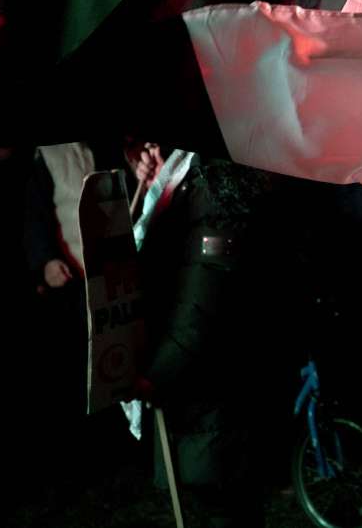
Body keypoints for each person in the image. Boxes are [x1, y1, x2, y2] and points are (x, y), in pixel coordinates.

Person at [128, 154, 289, 527]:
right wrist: (159, 184)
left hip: (214, 400)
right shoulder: (190, 169)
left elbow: (202, 303)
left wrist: (155, 373)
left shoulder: (217, 185)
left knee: (223, 510)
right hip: (203, 400)